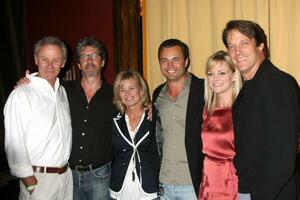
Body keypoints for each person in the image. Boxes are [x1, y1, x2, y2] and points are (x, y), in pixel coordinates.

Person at [222, 19, 300, 200]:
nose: (237, 51)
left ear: (260, 46)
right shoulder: (248, 89)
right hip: (249, 189)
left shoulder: (277, 84)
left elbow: (282, 159)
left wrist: (256, 195)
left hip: (269, 194)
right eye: (231, 46)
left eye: (244, 43)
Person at [4, 36, 73, 199]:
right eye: (44, 59)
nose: (50, 65)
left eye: (56, 60)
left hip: (65, 177)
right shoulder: (22, 93)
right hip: (39, 179)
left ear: (63, 62)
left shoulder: (62, 92)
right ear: (36, 60)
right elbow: (14, 140)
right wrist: (29, 180)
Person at [152, 38, 205, 199]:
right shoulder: (157, 94)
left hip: (193, 183)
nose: (170, 66)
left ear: (186, 61)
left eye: (175, 60)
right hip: (164, 183)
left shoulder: (204, 89)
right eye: (164, 61)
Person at [64, 37, 114, 200]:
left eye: (94, 55)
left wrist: (147, 105)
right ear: (78, 64)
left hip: (101, 176)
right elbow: (42, 87)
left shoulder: (116, 94)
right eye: (84, 56)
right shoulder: (64, 90)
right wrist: (28, 82)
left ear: (103, 61)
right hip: (68, 175)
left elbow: (136, 104)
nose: (89, 60)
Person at [198, 50, 242, 200]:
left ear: (234, 76)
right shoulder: (206, 110)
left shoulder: (244, 108)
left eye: (222, 73)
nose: (215, 79)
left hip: (235, 179)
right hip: (209, 180)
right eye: (210, 74)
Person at [110, 70, 159, 200]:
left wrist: (152, 106)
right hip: (120, 185)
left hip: (147, 185)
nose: (127, 93)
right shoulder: (114, 119)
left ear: (141, 90)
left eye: (132, 88)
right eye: (122, 89)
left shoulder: (154, 116)